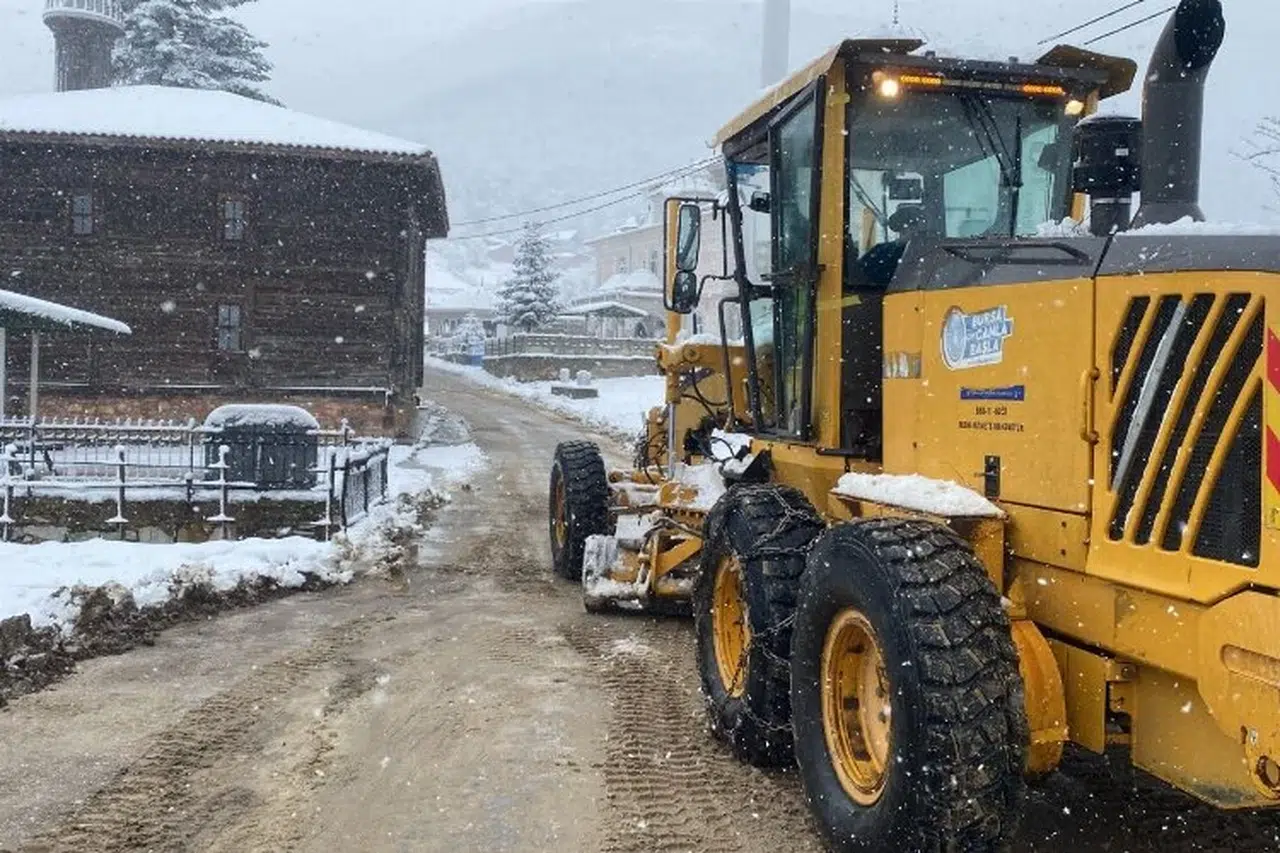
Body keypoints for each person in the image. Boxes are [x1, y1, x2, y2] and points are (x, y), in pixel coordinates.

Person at [858, 204, 926, 287]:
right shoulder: (880, 252)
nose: (918, 233)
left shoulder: (932, 252)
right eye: (913, 228)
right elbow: (859, 279)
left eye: (922, 230)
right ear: (902, 229)